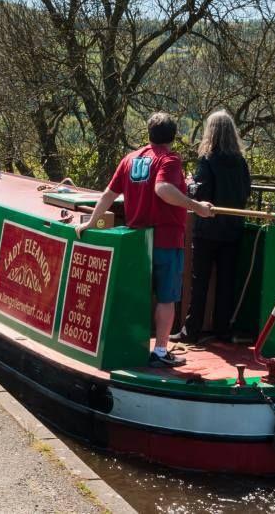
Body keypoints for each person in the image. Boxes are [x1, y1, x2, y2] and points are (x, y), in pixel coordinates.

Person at [76, 112, 214, 368]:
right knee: (166, 298)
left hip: (138, 241)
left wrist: (91, 223)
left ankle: (128, 345)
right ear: (174, 136)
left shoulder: (130, 159)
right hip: (166, 238)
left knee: (137, 296)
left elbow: (108, 194)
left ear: (149, 133)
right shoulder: (169, 159)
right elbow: (162, 189)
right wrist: (196, 206)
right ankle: (160, 351)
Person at [180, 110, 252, 344]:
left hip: (208, 228)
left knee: (199, 281)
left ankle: (192, 330)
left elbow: (201, 193)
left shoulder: (208, 160)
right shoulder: (240, 162)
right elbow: (246, 192)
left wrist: (190, 185)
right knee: (226, 282)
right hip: (233, 227)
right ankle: (222, 329)